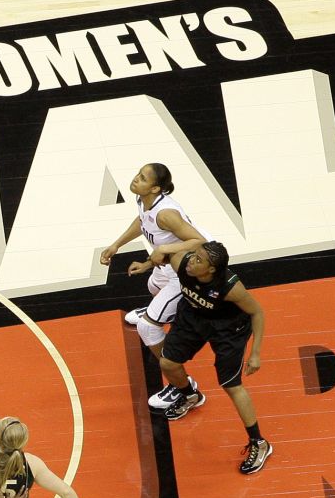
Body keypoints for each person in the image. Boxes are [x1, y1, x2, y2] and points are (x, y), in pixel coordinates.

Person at [130, 240, 273, 474]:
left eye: (198, 260)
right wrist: (147, 264)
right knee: (167, 362)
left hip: (229, 329)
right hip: (194, 316)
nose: (191, 261)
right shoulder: (182, 263)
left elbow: (257, 312)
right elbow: (163, 257)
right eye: (193, 256)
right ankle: (190, 395)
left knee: (231, 385)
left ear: (211, 270)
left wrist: (255, 353)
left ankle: (259, 442)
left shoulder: (230, 287)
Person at [99, 163, 209, 409]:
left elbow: (198, 241)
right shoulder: (144, 200)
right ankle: (160, 310)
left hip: (184, 272)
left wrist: (161, 251)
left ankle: (186, 390)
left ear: (156, 188)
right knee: (152, 286)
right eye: (137, 174)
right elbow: (142, 222)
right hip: (166, 266)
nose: (136, 179)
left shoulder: (165, 213)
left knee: (148, 329)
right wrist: (117, 245)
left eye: (143, 178)